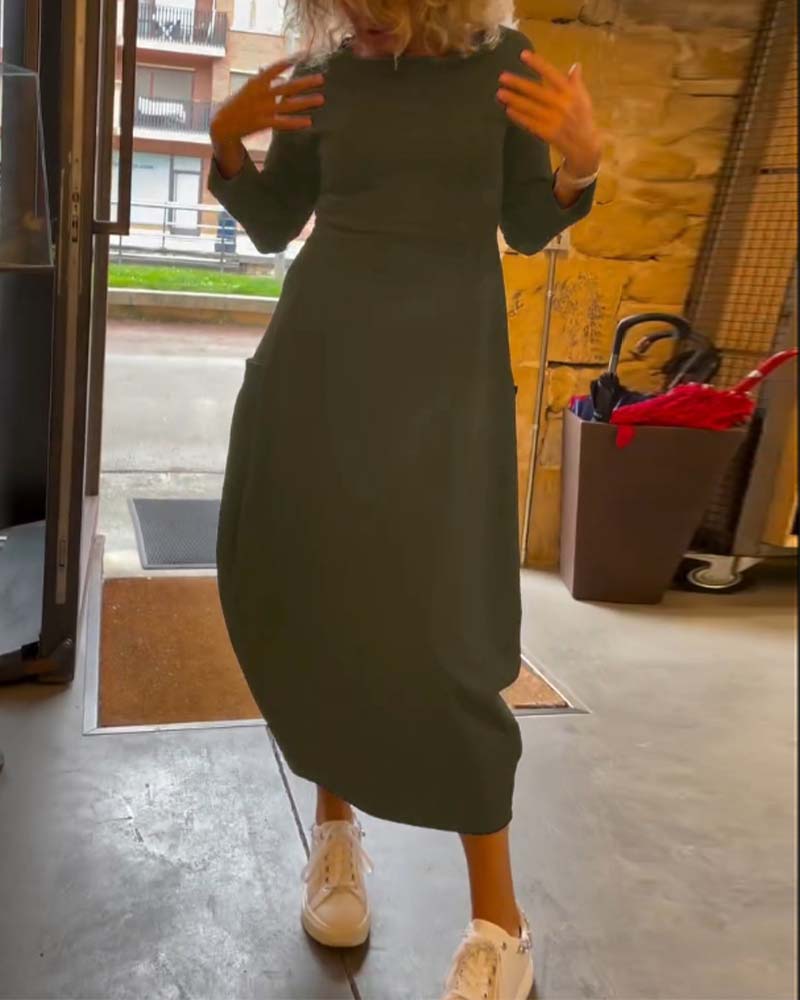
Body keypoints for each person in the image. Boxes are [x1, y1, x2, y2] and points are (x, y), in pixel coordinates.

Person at [208, 1, 600, 996]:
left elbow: (525, 222)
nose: (358, 12)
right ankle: (334, 834)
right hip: (318, 369)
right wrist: (226, 138)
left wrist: (580, 164)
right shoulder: (323, 72)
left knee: (446, 631)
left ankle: (500, 921)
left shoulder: (503, 64)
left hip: (444, 383)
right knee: (320, 599)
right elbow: (271, 222)